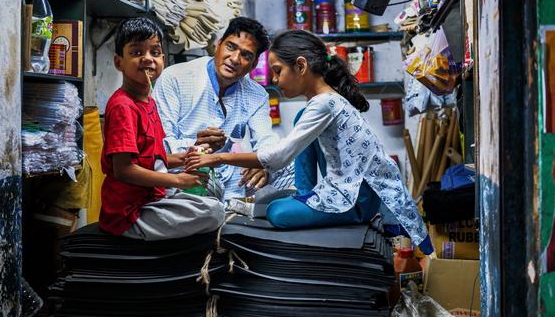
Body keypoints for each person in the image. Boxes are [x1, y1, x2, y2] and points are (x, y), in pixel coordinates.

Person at [185, 29, 432, 252]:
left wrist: (216, 157)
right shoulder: (318, 105)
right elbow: (283, 151)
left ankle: (311, 202)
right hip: (354, 192)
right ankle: (305, 195)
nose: (274, 80)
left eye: (278, 70)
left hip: (355, 200)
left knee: (276, 212)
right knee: (299, 128)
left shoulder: (325, 104)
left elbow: (278, 156)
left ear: (301, 66)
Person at [99, 17, 225, 240]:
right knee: (213, 213)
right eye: (137, 53)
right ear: (119, 62)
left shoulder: (149, 102)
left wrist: (186, 157)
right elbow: (124, 170)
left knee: (215, 198)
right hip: (130, 214)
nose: (147, 59)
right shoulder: (122, 106)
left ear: (163, 60)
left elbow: (151, 158)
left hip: (154, 201)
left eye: (154, 52)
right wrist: (178, 180)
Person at [153, 16, 292, 199]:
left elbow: (265, 139)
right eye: (231, 47)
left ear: (254, 64)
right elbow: (161, 146)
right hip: (187, 175)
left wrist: (264, 164)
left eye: (246, 55)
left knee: (290, 164)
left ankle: (235, 206)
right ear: (218, 45)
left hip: (233, 181)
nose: (234, 59)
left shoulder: (257, 95)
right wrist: (196, 146)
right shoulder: (175, 78)